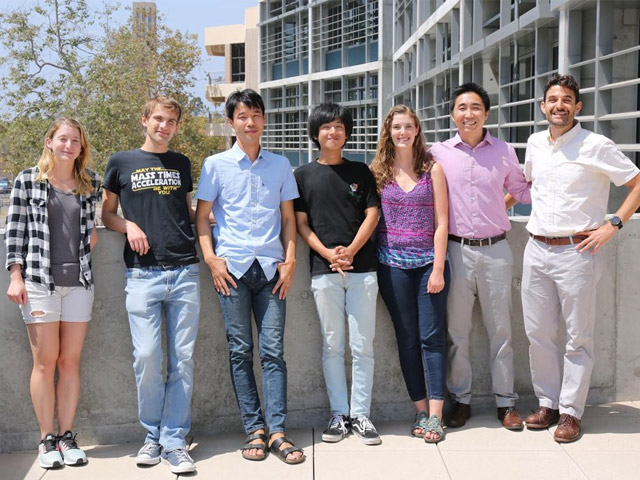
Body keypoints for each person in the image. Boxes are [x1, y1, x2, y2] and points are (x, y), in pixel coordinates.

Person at [522, 74, 640, 442]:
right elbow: (530, 189)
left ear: (578, 106)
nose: (559, 105)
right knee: (538, 334)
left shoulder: (597, 144)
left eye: (567, 99)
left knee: (578, 337)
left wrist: (614, 224)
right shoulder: (534, 143)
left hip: (578, 251)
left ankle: (571, 413)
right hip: (535, 248)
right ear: (543, 106)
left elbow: (637, 183)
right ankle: (548, 404)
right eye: (553, 99)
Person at [194, 89, 304, 465]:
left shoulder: (280, 165)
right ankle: (254, 429)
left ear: (264, 120)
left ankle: (278, 432)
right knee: (240, 352)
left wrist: (290, 262)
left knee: (274, 353)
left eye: (256, 115)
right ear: (231, 122)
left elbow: (288, 219)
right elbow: (201, 219)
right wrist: (212, 260)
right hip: (233, 271)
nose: (250, 122)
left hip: (273, 270)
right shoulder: (215, 165)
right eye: (243, 116)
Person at [102, 96, 200, 474]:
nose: (164, 126)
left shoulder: (181, 164)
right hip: (142, 274)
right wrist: (129, 225)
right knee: (146, 357)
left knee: (183, 361)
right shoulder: (121, 162)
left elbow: (189, 212)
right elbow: (108, 213)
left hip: (185, 271)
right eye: (158, 119)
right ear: (144, 120)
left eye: (171, 121)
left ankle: (175, 441)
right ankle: (152, 436)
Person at [430, 83, 531, 430]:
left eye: (475, 107)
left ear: (486, 114)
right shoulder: (438, 153)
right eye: (462, 107)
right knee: (456, 332)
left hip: (497, 251)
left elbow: (521, 190)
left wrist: (497, 210)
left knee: (501, 330)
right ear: (453, 114)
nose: (468, 113)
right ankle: (461, 401)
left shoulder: (504, 150)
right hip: (455, 252)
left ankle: (506, 403)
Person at [5, 118, 101, 469]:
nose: (68, 145)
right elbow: (14, 231)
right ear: (49, 141)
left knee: (70, 362)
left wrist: (90, 237)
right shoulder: (28, 180)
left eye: (75, 140)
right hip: (39, 283)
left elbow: (91, 231)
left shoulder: (90, 184)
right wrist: (15, 276)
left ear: (81, 147)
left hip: (80, 283)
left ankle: (67, 437)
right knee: (45, 362)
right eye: (62, 139)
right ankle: (46, 439)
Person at [294, 103, 381, 445]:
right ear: (316, 133)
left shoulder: (361, 171)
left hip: (362, 271)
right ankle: (339, 415)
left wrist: (351, 252)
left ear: (347, 131)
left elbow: (372, 215)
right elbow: (301, 224)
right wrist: (330, 254)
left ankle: (361, 415)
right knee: (332, 346)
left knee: (363, 347)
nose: (334, 132)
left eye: (339, 126)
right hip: (323, 271)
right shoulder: (301, 175)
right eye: (326, 127)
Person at [371, 105, 449, 443]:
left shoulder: (432, 169)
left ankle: (435, 415)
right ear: (389, 132)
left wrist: (439, 268)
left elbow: (442, 222)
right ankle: (419, 409)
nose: (403, 132)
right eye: (397, 127)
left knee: (431, 338)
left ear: (417, 131)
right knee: (407, 339)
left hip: (428, 266)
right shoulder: (378, 172)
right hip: (391, 267)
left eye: (409, 126)